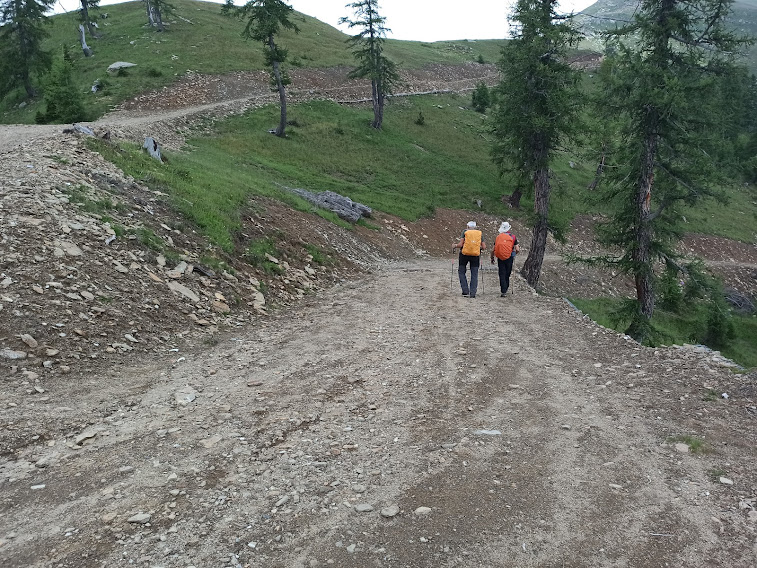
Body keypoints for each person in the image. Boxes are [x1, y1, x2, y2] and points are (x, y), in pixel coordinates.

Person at [453, 221, 486, 298]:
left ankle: (465, 291)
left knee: (461, 272)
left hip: (464, 255)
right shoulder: (479, 233)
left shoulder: (465, 232)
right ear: (475, 227)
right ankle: (473, 292)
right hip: (475, 255)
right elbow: (484, 247)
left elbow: (460, 244)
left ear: (468, 226)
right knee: (474, 273)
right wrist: (477, 247)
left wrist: (455, 245)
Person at [490, 221, 520, 297]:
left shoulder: (498, 237)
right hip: (509, 257)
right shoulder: (513, 237)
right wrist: (514, 254)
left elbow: (493, 249)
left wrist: (492, 258)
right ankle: (506, 288)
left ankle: (503, 291)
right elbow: (517, 249)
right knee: (507, 273)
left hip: (500, 257)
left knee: (502, 273)